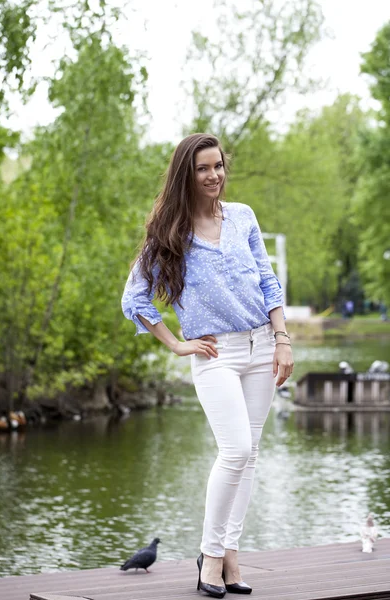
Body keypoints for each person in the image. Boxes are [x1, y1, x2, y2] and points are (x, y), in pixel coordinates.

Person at [121, 133, 294, 598]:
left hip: (261, 347)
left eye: (218, 166)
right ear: (186, 175)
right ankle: (211, 558)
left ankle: (229, 556)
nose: (214, 175)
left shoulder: (242, 217)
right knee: (235, 450)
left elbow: (267, 279)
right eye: (203, 168)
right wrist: (177, 345)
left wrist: (282, 339)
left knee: (250, 455)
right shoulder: (169, 231)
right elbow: (134, 298)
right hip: (216, 354)